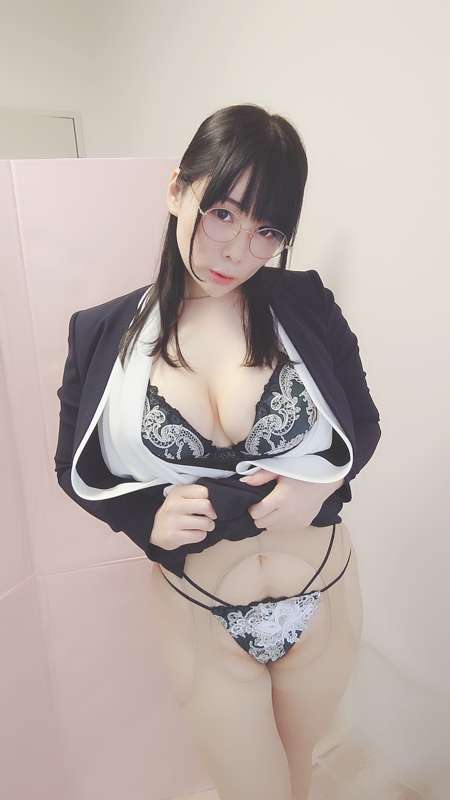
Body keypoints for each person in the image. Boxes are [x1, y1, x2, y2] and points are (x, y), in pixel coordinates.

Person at [54, 103, 381, 800]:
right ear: (177, 190)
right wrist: (145, 518)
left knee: (300, 773)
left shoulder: (303, 303)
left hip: (325, 587)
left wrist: (322, 485)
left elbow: (363, 423)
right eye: (223, 213)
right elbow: (71, 466)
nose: (238, 252)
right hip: (201, 611)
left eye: (267, 231)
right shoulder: (102, 333)